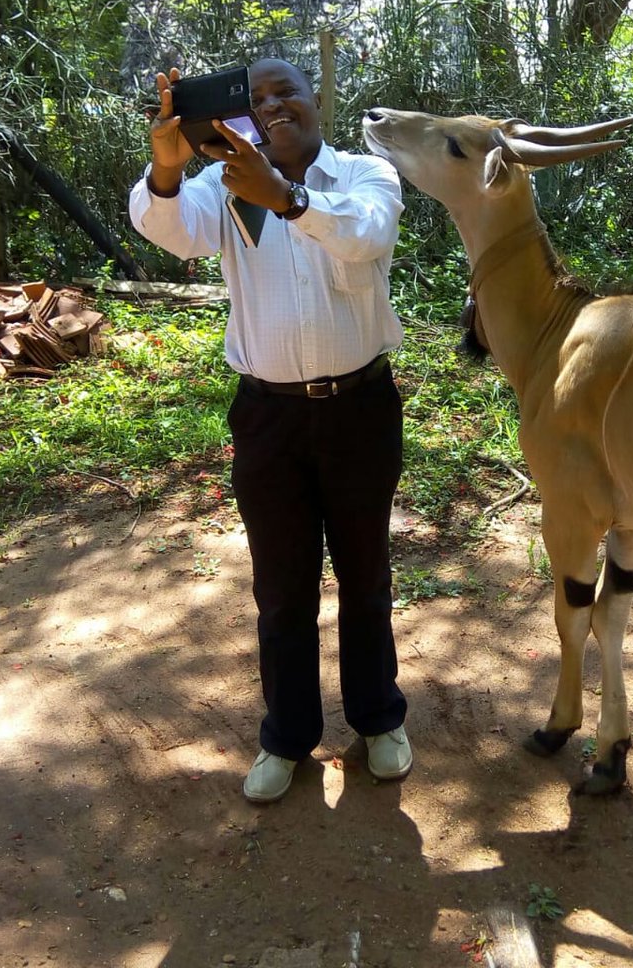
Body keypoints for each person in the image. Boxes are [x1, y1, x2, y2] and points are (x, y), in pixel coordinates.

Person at [129, 57, 412, 803]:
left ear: (316, 96)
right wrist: (166, 166)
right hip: (268, 418)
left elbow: (365, 236)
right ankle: (287, 738)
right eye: (257, 99)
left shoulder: (363, 174)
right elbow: (171, 230)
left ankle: (378, 719)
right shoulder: (221, 188)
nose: (274, 105)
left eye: (286, 89)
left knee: (365, 574)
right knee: (282, 588)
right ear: (243, 117)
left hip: (360, 410)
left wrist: (285, 199)